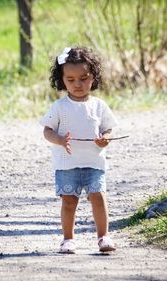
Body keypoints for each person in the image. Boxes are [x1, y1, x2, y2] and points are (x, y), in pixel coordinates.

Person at [40, 47, 117, 254]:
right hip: (67, 165)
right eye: (71, 79)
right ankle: (68, 239)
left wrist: (106, 138)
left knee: (98, 198)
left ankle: (103, 237)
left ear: (93, 77)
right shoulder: (59, 107)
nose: (78, 84)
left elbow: (108, 128)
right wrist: (58, 139)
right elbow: (47, 131)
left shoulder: (99, 106)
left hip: (94, 162)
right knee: (69, 202)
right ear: (62, 80)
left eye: (84, 78)